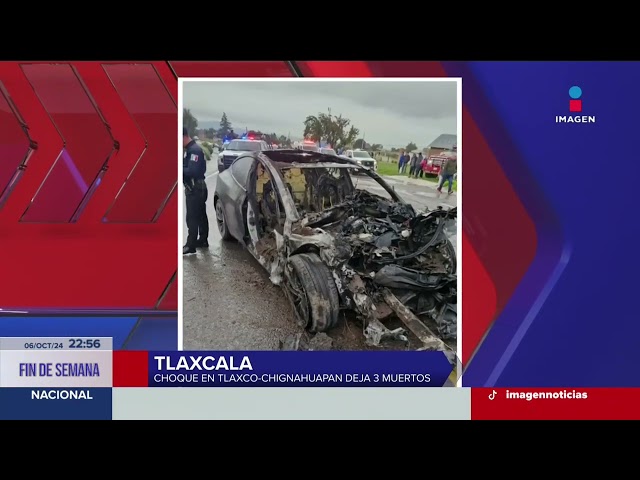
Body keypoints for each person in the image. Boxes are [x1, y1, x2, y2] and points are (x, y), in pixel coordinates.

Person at [183, 127, 209, 254]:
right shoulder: (191, 149)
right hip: (199, 188)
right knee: (200, 215)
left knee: (192, 217)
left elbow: (192, 171)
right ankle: (203, 240)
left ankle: (190, 245)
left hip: (195, 189)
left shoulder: (194, 151)